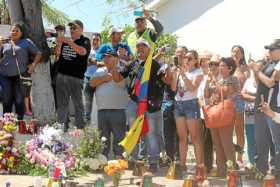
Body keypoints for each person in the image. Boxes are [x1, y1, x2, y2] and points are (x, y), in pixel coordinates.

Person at [112, 39, 167, 172]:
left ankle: (153, 161)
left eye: (143, 47)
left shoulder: (155, 64)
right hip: (134, 102)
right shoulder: (133, 64)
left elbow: (165, 81)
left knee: (150, 133)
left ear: (149, 50)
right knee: (133, 132)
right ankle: (133, 160)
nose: (140, 49)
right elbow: (118, 78)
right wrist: (113, 66)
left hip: (150, 104)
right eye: (138, 47)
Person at [248, 39, 280, 175]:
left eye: (272, 49)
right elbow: (260, 82)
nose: (269, 52)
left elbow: (270, 83)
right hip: (262, 106)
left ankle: (276, 172)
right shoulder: (270, 63)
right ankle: (261, 172)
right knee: (260, 141)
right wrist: (256, 71)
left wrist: (257, 70)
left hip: (273, 108)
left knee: (276, 143)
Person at [171, 50, 204, 177]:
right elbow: (174, 88)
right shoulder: (180, 71)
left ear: (196, 60)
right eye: (185, 57)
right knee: (182, 138)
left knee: (195, 138)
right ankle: (182, 166)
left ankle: (200, 167)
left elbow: (192, 88)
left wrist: (183, 74)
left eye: (190, 58)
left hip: (191, 104)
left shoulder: (198, 72)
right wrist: (175, 74)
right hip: (178, 104)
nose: (187, 59)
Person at [90, 49, 128, 158]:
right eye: (105, 57)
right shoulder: (99, 70)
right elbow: (92, 83)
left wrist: (114, 67)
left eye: (109, 57)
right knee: (103, 139)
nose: (105, 59)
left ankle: (119, 161)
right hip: (102, 110)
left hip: (118, 110)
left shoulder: (123, 69)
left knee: (119, 138)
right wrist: (104, 78)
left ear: (115, 58)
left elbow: (117, 79)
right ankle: (102, 161)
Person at [0, 23, 42, 120]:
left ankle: (19, 122)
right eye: (12, 30)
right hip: (4, 75)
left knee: (19, 100)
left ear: (21, 33)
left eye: (17, 30)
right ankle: (7, 123)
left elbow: (38, 53)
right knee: (6, 100)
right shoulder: (4, 42)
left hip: (20, 76)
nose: (14, 32)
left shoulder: (26, 42)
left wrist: (33, 64)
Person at [55, 20, 91, 132]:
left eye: (74, 28)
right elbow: (57, 54)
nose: (71, 30)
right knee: (62, 103)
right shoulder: (66, 41)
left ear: (81, 29)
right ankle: (62, 126)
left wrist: (68, 41)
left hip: (76, 77)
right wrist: (60, 43)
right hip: (61, 75)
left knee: (78, 103)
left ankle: (80, 127)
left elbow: (82, 52)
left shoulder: (85, 40)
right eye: (70, 28)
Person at [205, 57, 237, 177]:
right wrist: (209, 83)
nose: (220, 67)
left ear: (230, 68)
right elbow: (207, 95)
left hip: (225, 113)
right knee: (217, 144)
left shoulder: (232, 79)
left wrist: (214, 80)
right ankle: (221, 171)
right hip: (214, 113)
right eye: (220, 65)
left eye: (223, 65)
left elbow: (226, 91)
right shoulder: (217, 79)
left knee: (226, 144)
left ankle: (232, 172)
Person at [197, 52, 214, 174]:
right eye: (204, 60)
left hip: (214, 112)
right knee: (202, 140)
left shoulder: (215, 76)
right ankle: (202, 166)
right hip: (201, 112)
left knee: (211, 141)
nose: (206, 62)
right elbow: (199, 96)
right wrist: (203, 107)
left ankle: (209, 165)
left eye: (209, 60)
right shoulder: (198, 75)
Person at [231, 45, 248, 164]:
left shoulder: (246, 68)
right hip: (227, 102)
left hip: (240, 102)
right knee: (226, 131)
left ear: (242, 54)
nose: (235, 53)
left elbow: (248, 85)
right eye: (233, 51)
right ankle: (229, 156)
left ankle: (240, 157)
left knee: (239, 130)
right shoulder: (227, 67)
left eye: (238, 52)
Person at [83, 32, 102, 123]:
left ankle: (100, 121)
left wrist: (92, 61)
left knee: (100, 101)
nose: (95, 41)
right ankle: (87, 120)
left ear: (100, 41)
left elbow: (105, 64)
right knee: (88, 101)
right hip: (88, 79)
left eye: (97, 40)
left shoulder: (104, 51)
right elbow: (83, 64)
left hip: (100, 80)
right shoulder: (87, 51)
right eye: (93, 39)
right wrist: (94, 62)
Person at [241, 70, 257, 167]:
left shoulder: (265, 81)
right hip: (249, 116)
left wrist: (249, 94)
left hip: (261, 117)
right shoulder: (248, 81)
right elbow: (242, 95)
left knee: (260, 142)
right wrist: (256, 97)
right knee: (250, 142)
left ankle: (261, 166)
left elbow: (265, 96)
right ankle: (252, 165)